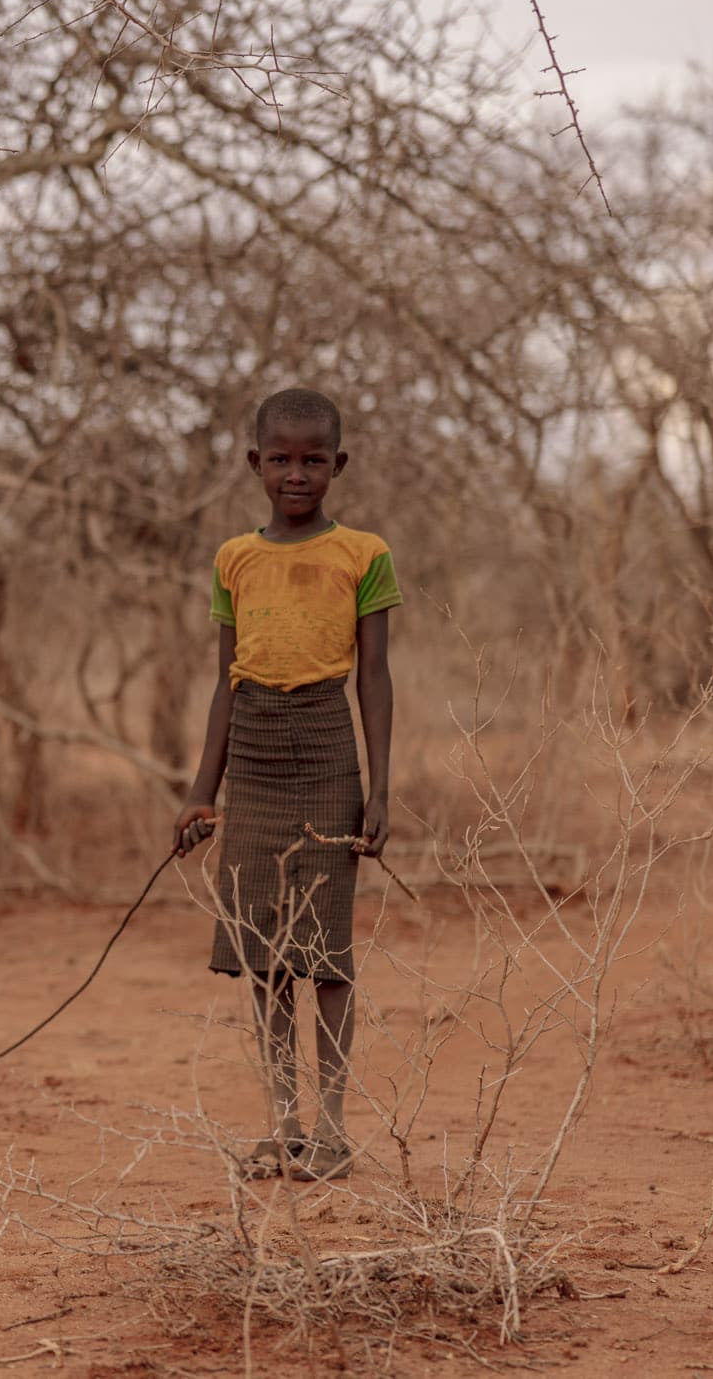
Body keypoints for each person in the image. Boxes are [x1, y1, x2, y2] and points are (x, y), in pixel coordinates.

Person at [172, 388, 400, 1182]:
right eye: (280, 459)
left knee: (328, 952)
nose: (295, 474)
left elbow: (373, 675)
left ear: (337, 465)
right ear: (254, 464)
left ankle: (332, 1130)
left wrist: (379, 787)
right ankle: (282, 1125)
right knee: (266, 957)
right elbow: (226, 681)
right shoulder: (235, 558)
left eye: (312, 460)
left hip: (328, 751)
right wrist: (204, 792)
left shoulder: (363, 554)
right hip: (257, 759)